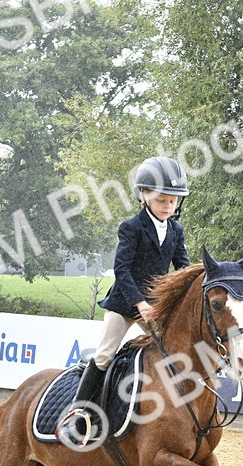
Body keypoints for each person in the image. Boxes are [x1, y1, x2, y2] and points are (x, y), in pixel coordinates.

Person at [58, 156, 191, 444]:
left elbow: (183, 267)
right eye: (162, 200)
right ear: (144, 196)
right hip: (124, 303)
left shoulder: (176, 231)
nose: (168, 206)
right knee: (105, 354)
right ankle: (76, 414)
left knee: (170, 352)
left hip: (154, 306)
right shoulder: (131, 227)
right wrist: (140, 304)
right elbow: (122, 270)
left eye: (172, 201)